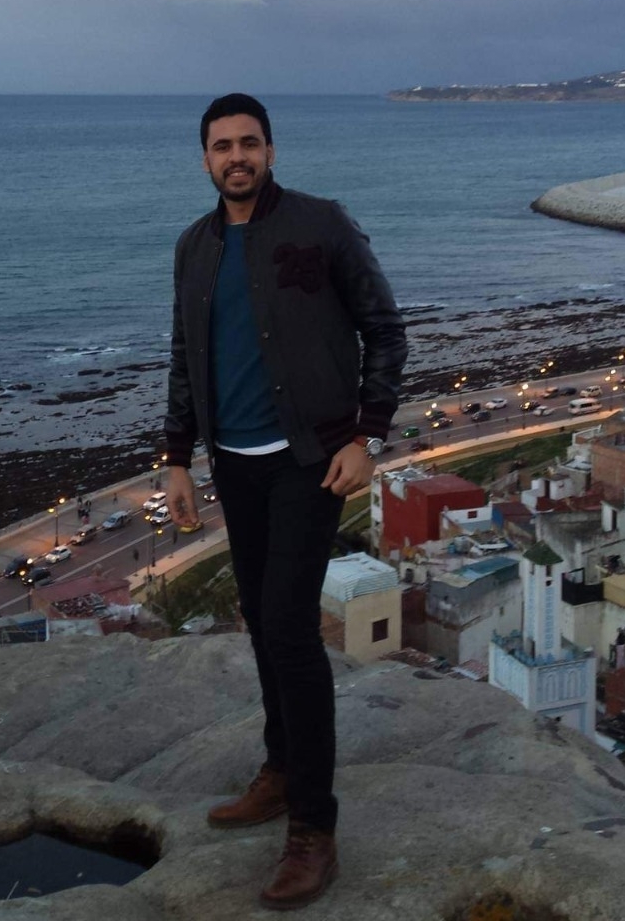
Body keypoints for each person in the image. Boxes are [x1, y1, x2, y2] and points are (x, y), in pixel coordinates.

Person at [164, 93, 407, 910]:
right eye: (222, 145)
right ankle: (280, 768)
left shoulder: (322, 222)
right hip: (233, 464)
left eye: (249, 142)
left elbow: (385, 328)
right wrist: (175, 459)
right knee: (261, 621)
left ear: (270, 150)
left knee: (290, 629)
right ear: (205, 158)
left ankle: (314, 828)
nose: (236, 156)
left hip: (311, 460)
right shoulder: (194, 246)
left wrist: (366, 435)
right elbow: (184, 355)